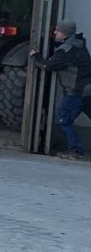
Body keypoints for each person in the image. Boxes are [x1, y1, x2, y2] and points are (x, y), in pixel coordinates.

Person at [31, 19, 91, 159]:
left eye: (58, 31)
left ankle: (75, 151)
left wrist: (35, 56)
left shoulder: (65, 51)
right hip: (87, 90)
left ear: (65, 33)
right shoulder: (79, 44)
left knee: (64, 118)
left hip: (75, 92)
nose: (55, 33)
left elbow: (48, 66)